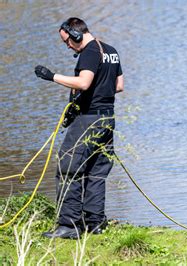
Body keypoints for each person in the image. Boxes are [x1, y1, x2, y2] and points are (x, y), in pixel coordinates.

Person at [34, 17, 124, 239]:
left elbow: (84, 82)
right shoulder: (110, 50)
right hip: (107, 119)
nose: (67, 46)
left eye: (67, 41)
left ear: (75, 35)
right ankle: (95, 223)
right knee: (96, 172)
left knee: (68, 170)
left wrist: (52, 76)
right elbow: (119, 86)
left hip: (88, 121)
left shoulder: (90, 52)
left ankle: (69, 226)